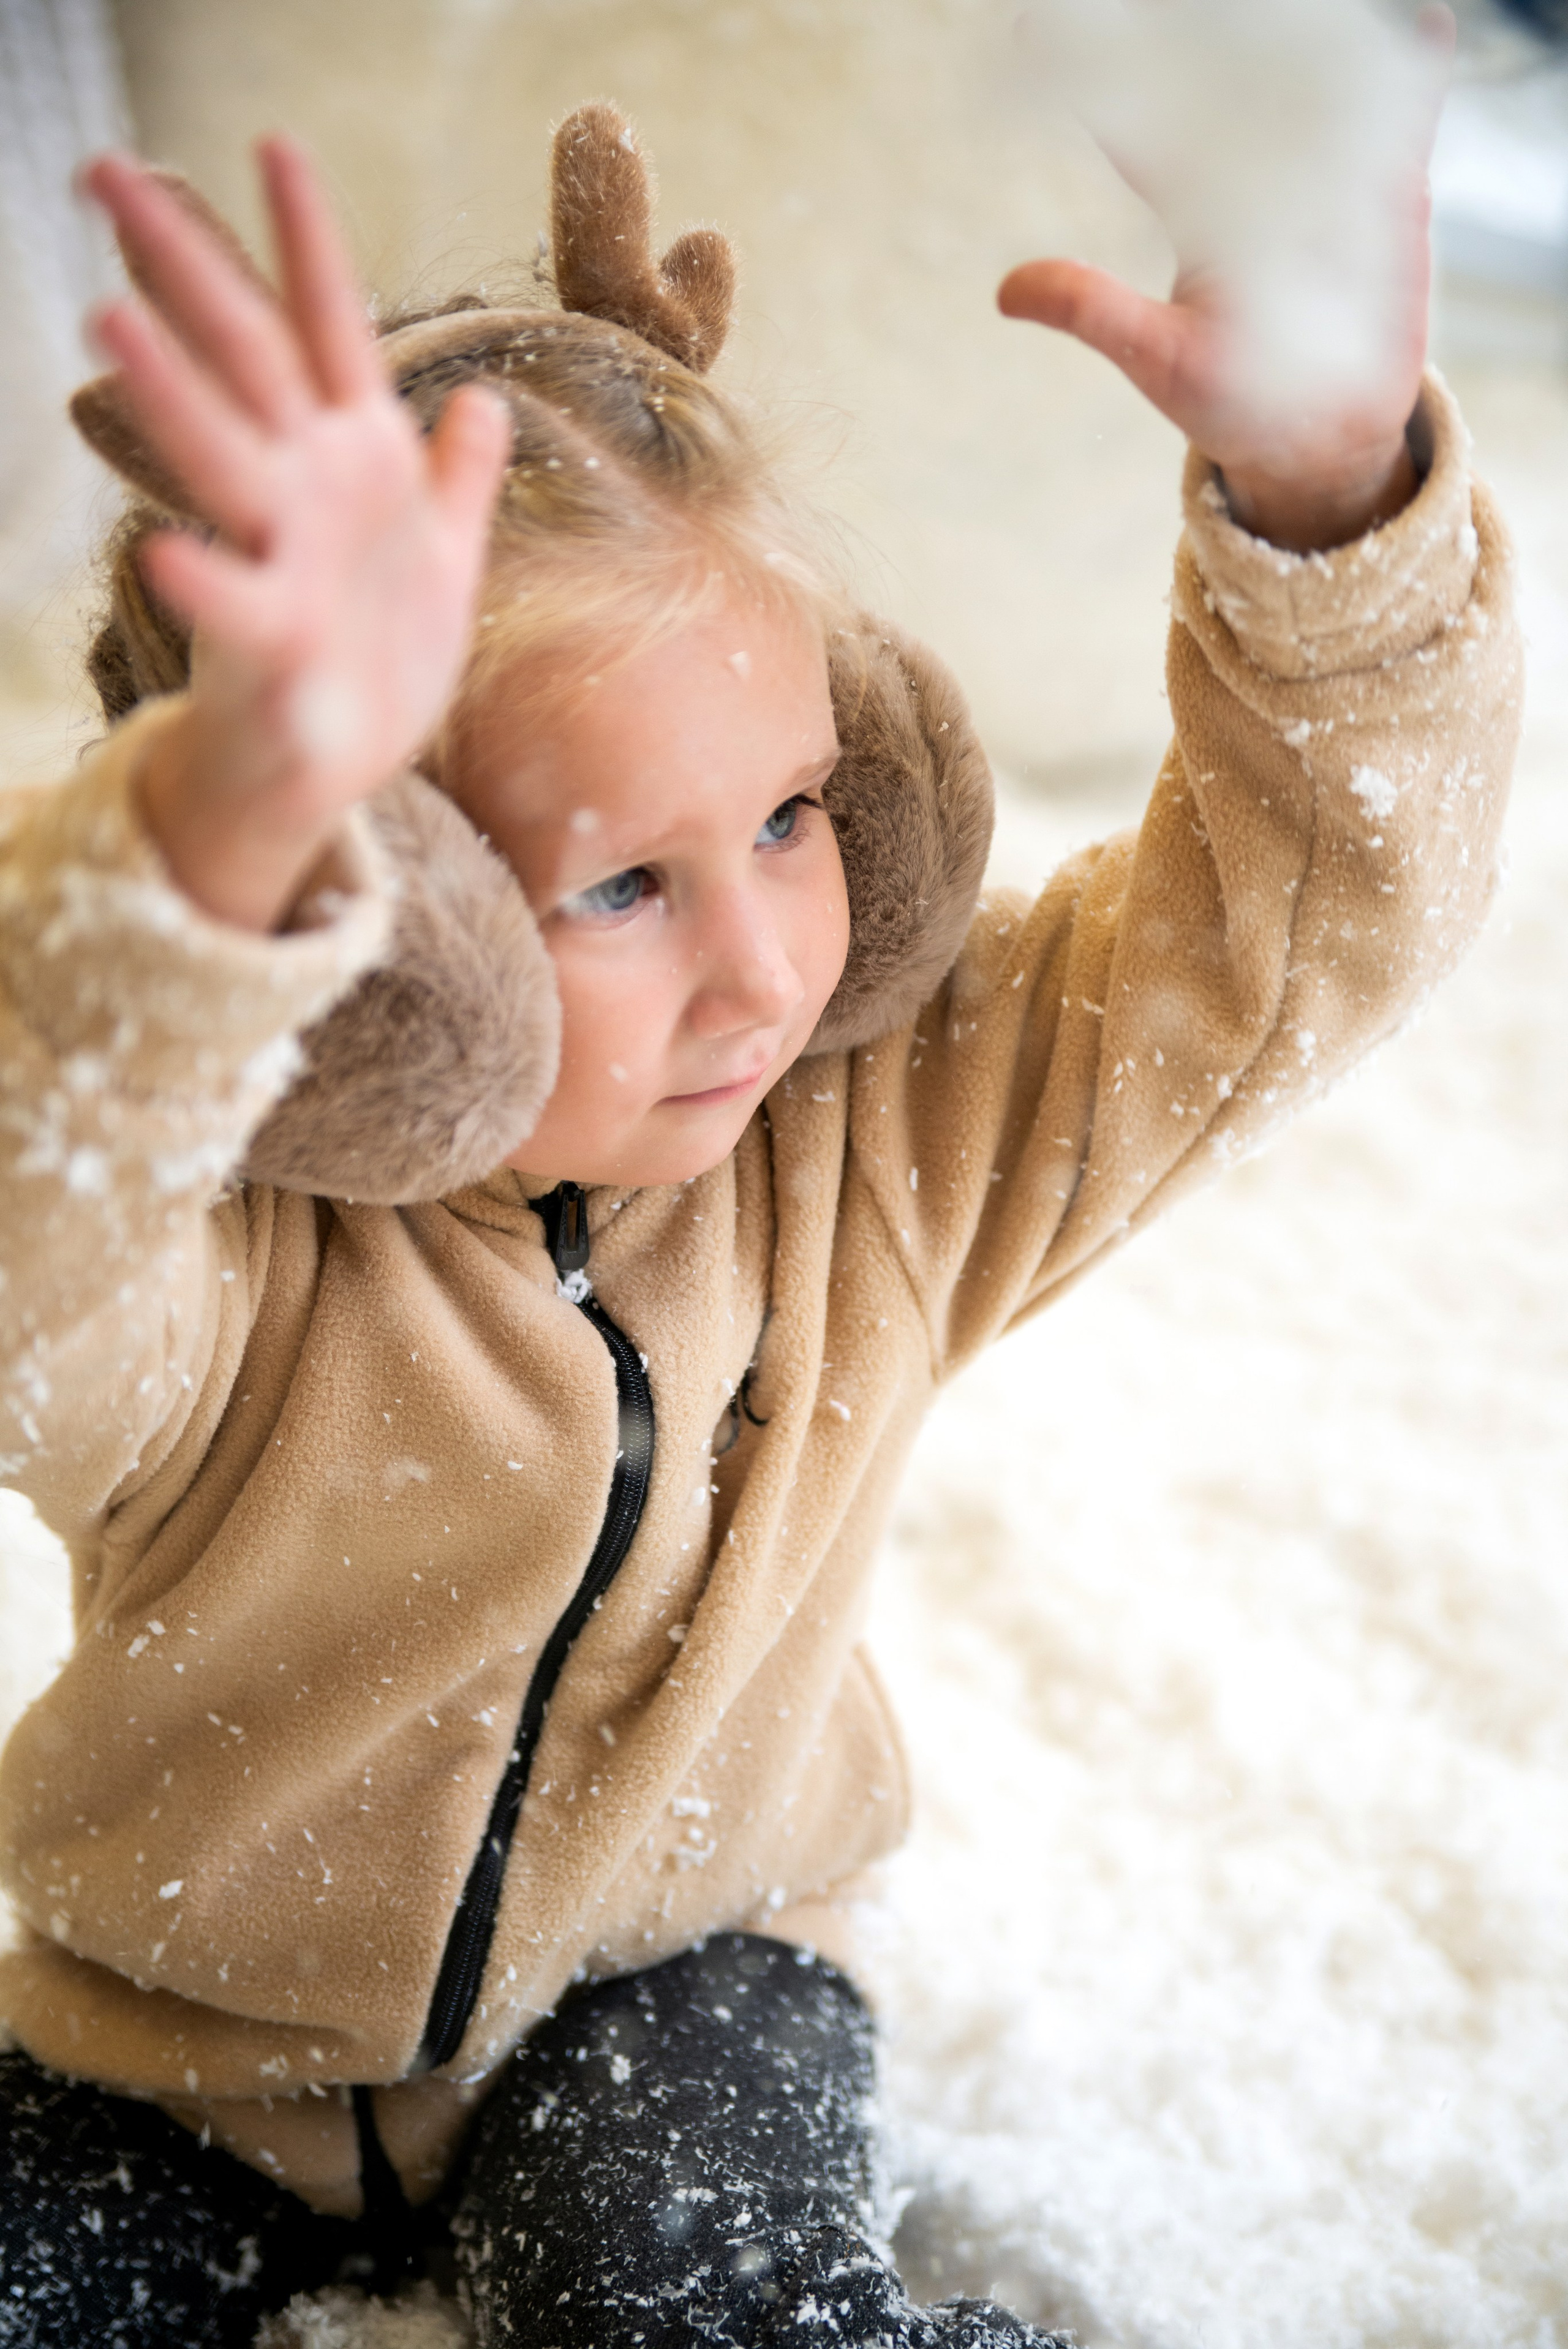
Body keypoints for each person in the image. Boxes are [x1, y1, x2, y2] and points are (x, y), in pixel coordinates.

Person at [0, 81, 1519, 2349]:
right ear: (384, 930)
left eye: (799, 816)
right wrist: (203, 861)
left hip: (676, 1987)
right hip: (163, 2044)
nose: (763, 969)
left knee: (708, 2306)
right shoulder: (191, 1252)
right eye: (622, 881)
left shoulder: (876, 1141)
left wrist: (1337, 510)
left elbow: (1290, 940)